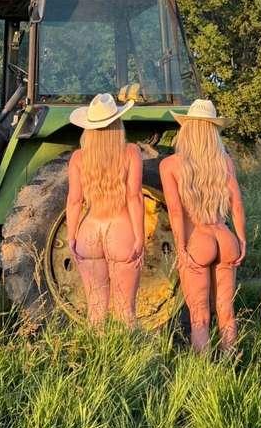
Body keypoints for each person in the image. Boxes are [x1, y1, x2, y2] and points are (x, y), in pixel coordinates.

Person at [159, 99, 247, 353]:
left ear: (187, 129)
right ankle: (231, 363)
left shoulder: (171, 165)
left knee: (199, 316)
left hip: (198, 239)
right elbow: (237, 206)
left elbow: (175, 211)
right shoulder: (224, 161)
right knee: (226, 311)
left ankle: (204, 372)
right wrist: (241, 240)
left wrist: (181, 247)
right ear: (212, 131)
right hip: (224, 237)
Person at [67, 93, 144, 327]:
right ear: (117, 124)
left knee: (95, 311)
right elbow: (134, 197)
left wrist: (71, 237)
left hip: (89, 231)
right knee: (125, 311)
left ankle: (99, 361)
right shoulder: (130, 152)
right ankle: (127, 360)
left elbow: (74, 201)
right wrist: (140, 237)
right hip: (120, 230)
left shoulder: (79, 157)